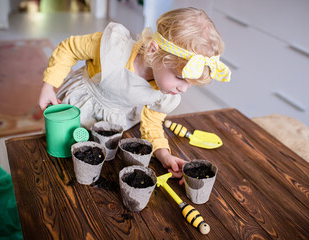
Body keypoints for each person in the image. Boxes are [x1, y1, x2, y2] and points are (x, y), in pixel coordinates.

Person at [38, 7, 230, 184]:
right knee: (57, 157)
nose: (183, 89)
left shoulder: (165, 93)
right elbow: (69, 48)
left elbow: (152, 124)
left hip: (113, 124)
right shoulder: (112, 48)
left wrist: (164, 154)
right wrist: (49, 86)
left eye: (191, 84)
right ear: (155, 51)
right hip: (80, 106)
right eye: (180, 78)